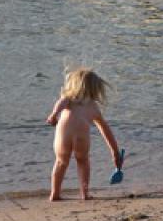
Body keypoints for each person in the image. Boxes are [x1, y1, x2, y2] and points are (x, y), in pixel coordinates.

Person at [46, 67, 122, 201]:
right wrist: (114, 151)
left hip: (63, 137)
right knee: (83, 162)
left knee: (60, 162)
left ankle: (55, 194)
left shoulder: (69, 99)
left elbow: (61, 103)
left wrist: (54, 114)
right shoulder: (93, 107)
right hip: (82, 138)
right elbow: (105, 130)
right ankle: (84, 193)